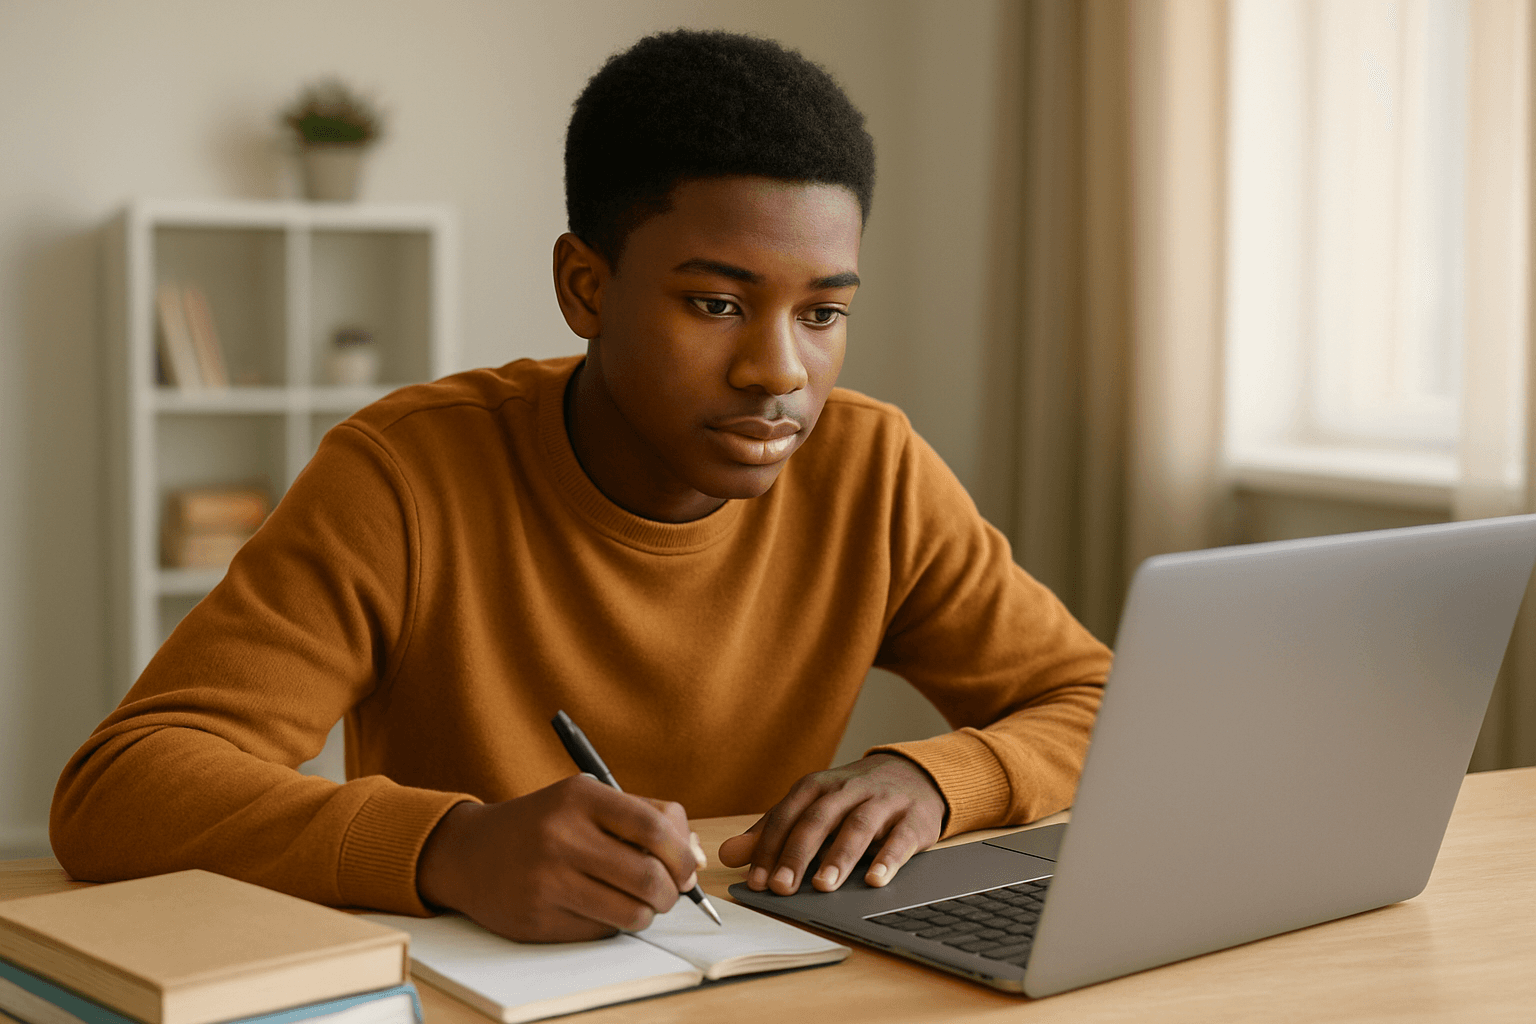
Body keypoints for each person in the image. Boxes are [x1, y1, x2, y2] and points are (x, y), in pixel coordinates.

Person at [50, 29, 1111, 944]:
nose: (780, 372)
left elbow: (1101, 703)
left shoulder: (872, 471)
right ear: (585, 286)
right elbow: (120, 789)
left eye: (822, 314)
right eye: (716, 305)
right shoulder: (405, 475)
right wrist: (447, 847)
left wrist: (934, 780)